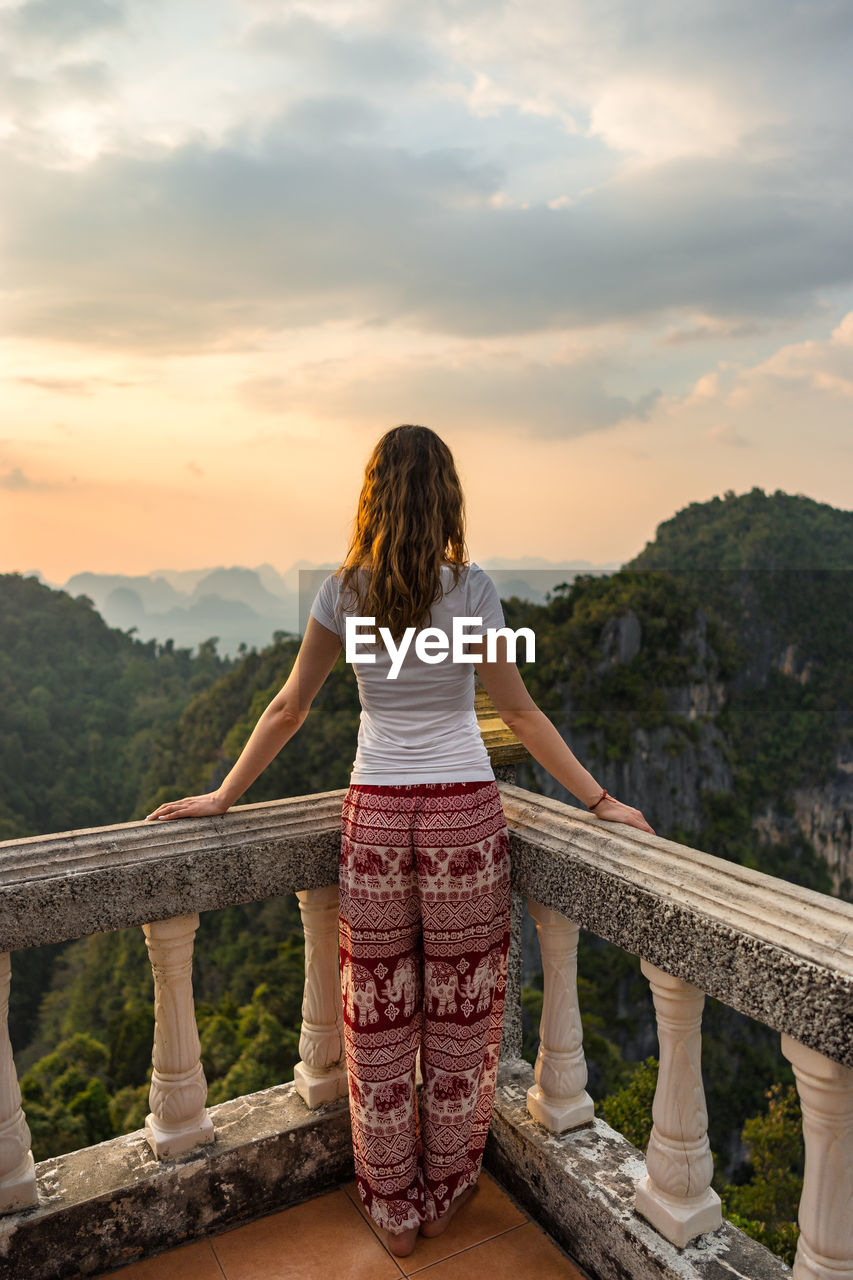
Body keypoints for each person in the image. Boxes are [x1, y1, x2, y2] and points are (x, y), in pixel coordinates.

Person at [146, 424, 654, 1259]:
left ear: (372, 495)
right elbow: (519, 714)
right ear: (447, 494)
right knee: (459, 1018)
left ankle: (392, 1208)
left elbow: (289, 706)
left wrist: (223, 794)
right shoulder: (472, 590)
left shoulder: (344, 591)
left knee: (377, 1021)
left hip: (378, 817)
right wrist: (600, 799)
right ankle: (447, 1191)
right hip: (462, 818)